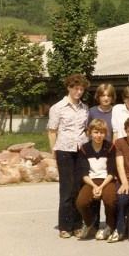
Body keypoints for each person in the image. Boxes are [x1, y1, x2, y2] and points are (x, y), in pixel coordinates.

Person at [47, 73, 90, 239]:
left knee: (78, 188)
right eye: (76, 88)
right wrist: (54, 153)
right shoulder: (58, 108)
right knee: (66, 189)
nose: (78, 92)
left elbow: (85, 129)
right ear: (69, 88)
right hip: (64, 151)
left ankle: (77, 224)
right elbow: (52, 132)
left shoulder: (85, 108)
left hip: (81, 150)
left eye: (81, 89)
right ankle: (64, 226)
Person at [75, 118, 117, 240]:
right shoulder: (84, 148)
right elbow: (84, 173)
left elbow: (111, 172)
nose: (99, 135)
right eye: (96, 132)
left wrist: (101, 187)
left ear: (106, 133)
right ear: (90, 133)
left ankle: (110, 226)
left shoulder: (110, 147)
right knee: (81, 202)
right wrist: (94, 186)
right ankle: (89, 223)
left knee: (109, 200)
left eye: (102, 132)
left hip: (107, 180)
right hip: (91, 181)